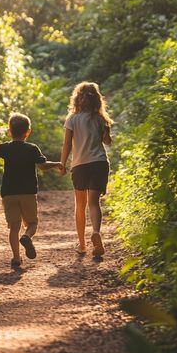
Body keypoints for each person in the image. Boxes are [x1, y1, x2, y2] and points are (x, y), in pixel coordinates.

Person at [0, 112, 63, 268]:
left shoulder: (6, 148)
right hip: (28, 193)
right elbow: (43, 167)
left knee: (13, 227)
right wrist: (57, 164)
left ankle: (16, 258)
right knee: (32, 223)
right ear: (28, 132)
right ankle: (27, 236)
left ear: (10, 131)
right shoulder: (32, 148)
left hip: (9, 193)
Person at [60, 82, 112, 258]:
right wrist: (104, 129)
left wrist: (62, 163)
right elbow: (107, 142)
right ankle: (96, 232)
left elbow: (67, 143)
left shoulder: (72, 119)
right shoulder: (100, 119)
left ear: (77, 99)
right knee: (94, 203)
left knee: (80, 205)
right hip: (98, 163)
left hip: (80, 165)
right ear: (97, 99)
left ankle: (82, 244)